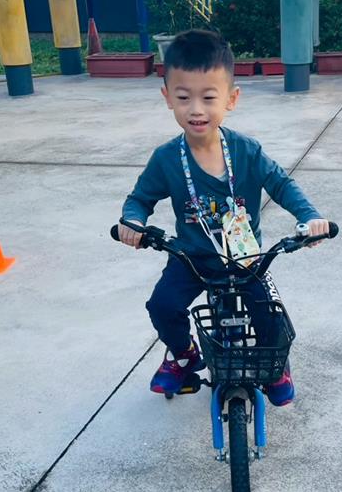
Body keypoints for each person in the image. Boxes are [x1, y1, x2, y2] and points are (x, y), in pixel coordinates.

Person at [117, 29, 330, 405]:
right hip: (192, 258)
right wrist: (132, 223)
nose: (196, 109)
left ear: (231, 98)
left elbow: (281, 184)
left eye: (209, 97)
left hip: (245, 259)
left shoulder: (246, 151)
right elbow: (140, 200)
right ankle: (184, 355)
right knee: (162, 306)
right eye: (184, 97)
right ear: (168, 98)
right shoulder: (166, 159)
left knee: (271, 316)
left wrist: (309, 218)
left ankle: (276, 368)